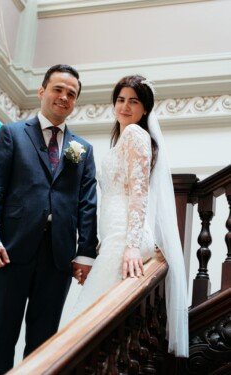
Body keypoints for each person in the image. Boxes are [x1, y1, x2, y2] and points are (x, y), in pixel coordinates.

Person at [0, 64, 98, 374]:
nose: (64, 97)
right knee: (1, 339)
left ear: (75, 102)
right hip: (9, 253)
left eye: (71, 94)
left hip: (57, 259)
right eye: (58, 89)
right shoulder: (12, 134)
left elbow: (87, 204)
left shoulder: (81, 149)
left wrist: (85, 252)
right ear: (42, 91)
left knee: (44, 344)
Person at [71, 75, 189, 357]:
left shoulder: (136, 134)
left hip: (126, 235)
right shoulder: (123, 139)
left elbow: (139, 193)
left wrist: (132, 244)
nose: (125, 106)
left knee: (89, 317)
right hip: (114, 235)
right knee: (96, 314)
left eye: (133, 101)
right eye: (120, 100)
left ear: (144, 108)